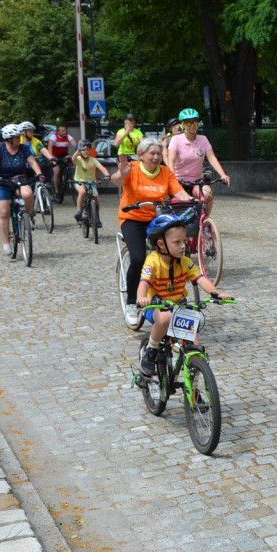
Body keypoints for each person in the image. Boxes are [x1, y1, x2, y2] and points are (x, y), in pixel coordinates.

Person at [136, 215, 232, 378]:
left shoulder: (185, 262)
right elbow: (143, 283)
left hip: (178, 308)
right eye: (177, 242)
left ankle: (194, 395)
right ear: (161, 244)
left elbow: (201, 278)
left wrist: (216, 293)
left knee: (196, 349)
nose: (183, 246)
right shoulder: (152, 261)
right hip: (156, 307)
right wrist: (141, 298)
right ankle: (151, 350)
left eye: (184, 241)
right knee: (165, 317)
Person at [112, 137, 192, 326]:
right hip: (131, 218)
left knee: (175, 253)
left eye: (158, 154)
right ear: (141, 155)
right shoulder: (132, 168)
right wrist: (122, 173)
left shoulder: (165, 172)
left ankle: (176, 295)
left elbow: (178, 191)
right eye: (152, 154)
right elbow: (118, 180)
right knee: (139, 258)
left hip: (156, 219)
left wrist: (190, 200)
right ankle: (132, 302)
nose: (156, 157)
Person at [0, 123, 47, 254]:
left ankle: (28, 215)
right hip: (2, 181)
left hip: (19, 179)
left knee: (28, 194)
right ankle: (6, 243)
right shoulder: (1, 148)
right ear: (8, 138)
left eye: (19, 136)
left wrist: (39, 174)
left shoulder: (23, 148)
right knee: (4, 213)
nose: (19, 139)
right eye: (16, 137)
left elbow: (32, 162)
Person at [166, 107, 230, 215]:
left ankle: (204, 221)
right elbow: (170, 160)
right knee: (185, 204)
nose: (192, 125)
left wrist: (223, 174)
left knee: (207, 194)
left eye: (195, 122)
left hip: (196, 181)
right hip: (179, 182)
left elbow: (211, 158)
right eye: (188, 123)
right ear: (183, 125)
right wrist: (172, 180)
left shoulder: (203, 139)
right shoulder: (176, 140)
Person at [72, 140, 110, 227]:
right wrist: (77, 152)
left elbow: (102, 168)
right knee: (82, 192)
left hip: (91, 183)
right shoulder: (78, 159)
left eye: (88, 150)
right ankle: (79, 211)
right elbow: (72, 160)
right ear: (80, 151)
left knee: (96, 197)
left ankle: (97, 218)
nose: (86, 151)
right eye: (83, 149)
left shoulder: (93, 160)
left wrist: (107, 175)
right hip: (79, 182)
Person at [47, 125, 74, 200]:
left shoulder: (68, 136)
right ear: (58, 132)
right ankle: (56, 191)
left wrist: (79, 147)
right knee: (56, 171)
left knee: (70, 160)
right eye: (63, 131)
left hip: (62, 154)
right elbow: (49, 149)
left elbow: (75, 144)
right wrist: (52, 158)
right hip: (54, 155)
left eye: (65, 130)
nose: (65, 132)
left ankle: (70, 175)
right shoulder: (53, 137)